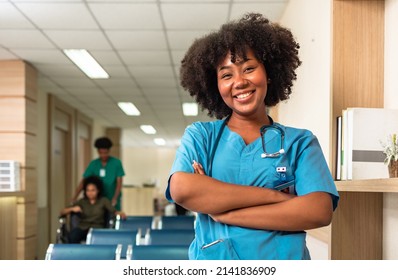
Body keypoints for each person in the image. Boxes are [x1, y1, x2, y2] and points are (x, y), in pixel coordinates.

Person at [165, 12, 339, 260]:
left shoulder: (300, 142)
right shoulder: (201, 136)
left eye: (249, 68)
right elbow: (182, 189)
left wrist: (224, 212)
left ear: (268, 73)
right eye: (226, 75)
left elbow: (318, 211)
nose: (239, 82)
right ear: (216, 86)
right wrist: (276, 197)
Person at [61, 175, 126, 243]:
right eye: (88, 190)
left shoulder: (103, 201)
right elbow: (62, 212)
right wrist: (72, 209)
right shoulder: (82, 202)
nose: (90, 193)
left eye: (93, 190)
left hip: (97, 228)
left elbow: (114, 211)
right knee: (72, 236)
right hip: (83, 228)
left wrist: (121, 213)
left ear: (98, 190)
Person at [72, 137, 125, 211]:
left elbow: (119, 184)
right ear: (98, 151)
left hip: (112, 198)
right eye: (101, 153)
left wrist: (115, 198)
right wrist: (74, 197)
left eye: (105, 153)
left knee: (113, 216)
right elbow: (84, 181)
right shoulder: (94, 164)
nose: (103, 155)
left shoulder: (116, 163)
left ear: (109, 151)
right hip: (98, 201)